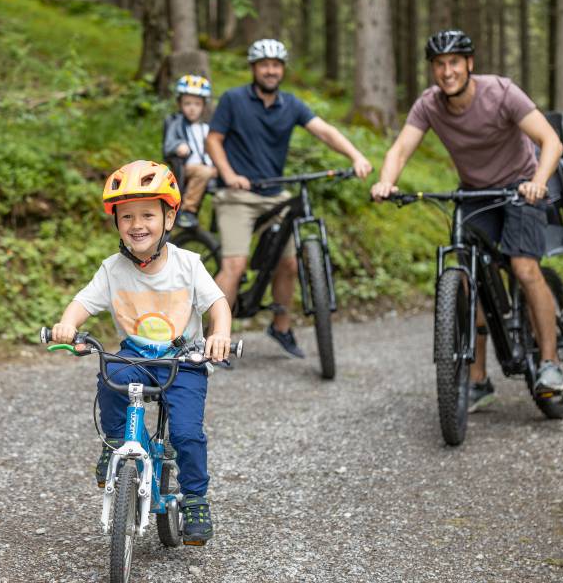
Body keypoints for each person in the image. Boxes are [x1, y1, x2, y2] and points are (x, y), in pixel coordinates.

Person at [370, 29, 563, 411]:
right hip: (474, 193)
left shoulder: (501, 92)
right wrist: (386, 182)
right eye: (439, 65)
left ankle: (550, 364)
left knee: (525, 268)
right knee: (464, 282)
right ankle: (478, 381)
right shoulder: (429, 104)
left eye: (454, 63)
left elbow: (550, 141)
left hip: (519, 188)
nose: (447, 72)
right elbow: (400, 148)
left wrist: (538, 183)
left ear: (469, 65)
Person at [49, 160, 232, 545]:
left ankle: (196, 498)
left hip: (184, 361)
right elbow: (83, 302)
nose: (137, 224)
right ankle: (116, 442)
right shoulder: (113, 269)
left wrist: (221, 335)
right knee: (111, 377)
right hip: (136, 355)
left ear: (169, 217)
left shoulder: (188, 264)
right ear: (116, 223)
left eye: (148, 214)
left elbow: (218, 305)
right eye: (127, 216)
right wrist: (68, 324)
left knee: (186, 433)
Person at [206, 39, 372, 358]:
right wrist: (227, 174)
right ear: (254, 68)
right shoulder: (233, 99)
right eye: (264, 64)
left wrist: (355, 155)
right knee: (235, 265)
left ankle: (281, 326)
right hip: (237, 194)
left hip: (275, 193)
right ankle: (216, 340)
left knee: (290, 262)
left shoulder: (291, 105)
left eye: (276, 65)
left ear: (282, 70)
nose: (271, 70)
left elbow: (324, 131)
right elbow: (214, 139)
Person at [164, 74, 218, 229]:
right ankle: (188, 211)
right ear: (180, 103)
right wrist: (178, 146)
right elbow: (169, 145)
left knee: (227, 176)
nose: (192, 108)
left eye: (197, 104)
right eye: (187, 103)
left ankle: (218, 220)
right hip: (187, 167)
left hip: (207, 167)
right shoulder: (176, 123)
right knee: (203, 172)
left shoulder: (206, 127)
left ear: (203, 106)